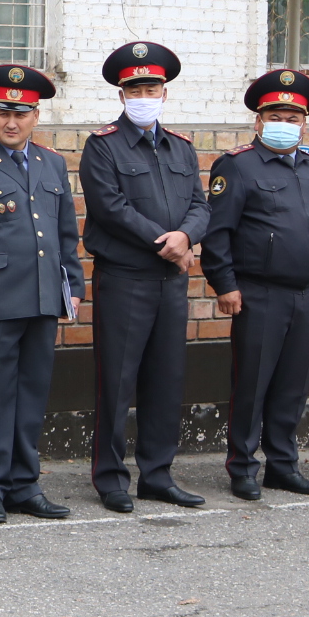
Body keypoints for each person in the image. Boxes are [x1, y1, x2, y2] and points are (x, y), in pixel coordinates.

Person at [0, 64, 84, 524]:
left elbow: (65, 234)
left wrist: (73, 288)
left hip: (43, 298)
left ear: (35, 116)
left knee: (31, 395)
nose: (11, 121)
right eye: (3, 111)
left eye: (21, 113)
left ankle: (25, 484)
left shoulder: (53, 163)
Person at [77, 41, 210, 513]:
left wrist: (188, 236)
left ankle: (157, 474)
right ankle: (111, 478)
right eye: (135, 88)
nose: (143, 95)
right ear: (121, 94)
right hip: (126, 279)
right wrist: (169, 243)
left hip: (170, 283)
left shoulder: (182, 146)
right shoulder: (103, 146)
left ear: (164, 92)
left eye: (151, 87)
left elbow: (200, 203)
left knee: (166, 380)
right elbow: (111, 208)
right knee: (117, 382)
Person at [202, 69, 309, 500]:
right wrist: (225, 285)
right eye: (275, 115)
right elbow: (218, 232)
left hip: (304, 294)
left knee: (292, 386)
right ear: (258, 121)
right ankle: (242, 466)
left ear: (305, 123)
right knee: (253, 384)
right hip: (258, 293)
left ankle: (283, 465)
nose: (284, 123)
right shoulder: (238, 166)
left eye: (292, 116)